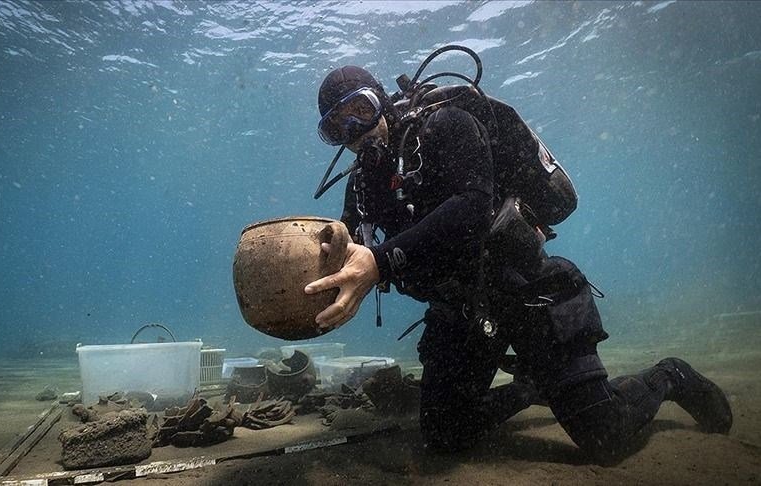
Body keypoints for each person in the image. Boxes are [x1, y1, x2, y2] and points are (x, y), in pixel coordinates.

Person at [304, 50, 732, 463]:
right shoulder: (364, 183)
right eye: (336, 127)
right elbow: (347, 246)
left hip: (530, 292)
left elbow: (472, 206)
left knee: (607, 438)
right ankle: (533, 387)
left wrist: (380, 260)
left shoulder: (446, 123)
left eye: (360, 109)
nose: (355, 131)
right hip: (463, 311)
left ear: (382, 99)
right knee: (444, 435)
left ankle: (671, 376)